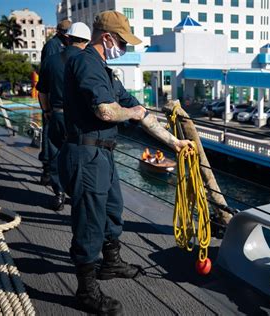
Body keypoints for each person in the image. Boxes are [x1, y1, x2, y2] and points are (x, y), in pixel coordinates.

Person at [58, 11, 191, 315]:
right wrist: (132, 114)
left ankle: (111, 262)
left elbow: (139, 110)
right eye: (122, 42)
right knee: (89, 221)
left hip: (103, 154)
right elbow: (106, 111)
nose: (125, 49)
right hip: (86, 155)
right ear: (107, 38)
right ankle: (86, 290)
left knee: (112, 210)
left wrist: (173, 142)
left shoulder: (103, 70)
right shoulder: (85, 63)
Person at [36, 22, 91, 211]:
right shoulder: (88, 60)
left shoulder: (51, 61)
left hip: (57, 115)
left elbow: (42, 92)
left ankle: (58, 194)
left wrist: (46, 111)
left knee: (56, 155)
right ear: (87, 41)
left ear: (67, 38)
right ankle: (78, 195)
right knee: (80, 157)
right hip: (80, 119)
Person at [38, 19, 72, 186]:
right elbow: (49, 73)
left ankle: (53, 171)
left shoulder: (62, 46)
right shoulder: (53, 46)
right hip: (53, 100)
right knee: (50, 137)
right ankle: (48, 170)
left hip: (57, 99)